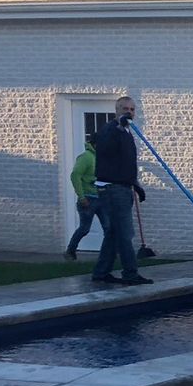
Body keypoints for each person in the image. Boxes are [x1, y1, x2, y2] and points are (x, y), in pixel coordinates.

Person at [90, 95, 151, 286]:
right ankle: (130, 273)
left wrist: (136, 185)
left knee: (114, 233)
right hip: (112, 189)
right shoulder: (111, 130)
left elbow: (124, 163)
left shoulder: (127, 132)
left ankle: (101, 272)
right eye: (125, 109)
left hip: (123, 187)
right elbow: (104, 147)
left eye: (132, 109)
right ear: (117, 110)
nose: (129, 112)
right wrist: (117, 127)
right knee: (125, 233)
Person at [64, 135, 97, 261]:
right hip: (88, 199)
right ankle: (70, 251)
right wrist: (81, 196)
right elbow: (75, 175)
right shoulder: (86, 157)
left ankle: (110, 255)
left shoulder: (100, 158)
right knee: (84, 228)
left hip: (101, 197)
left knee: (108, 226)